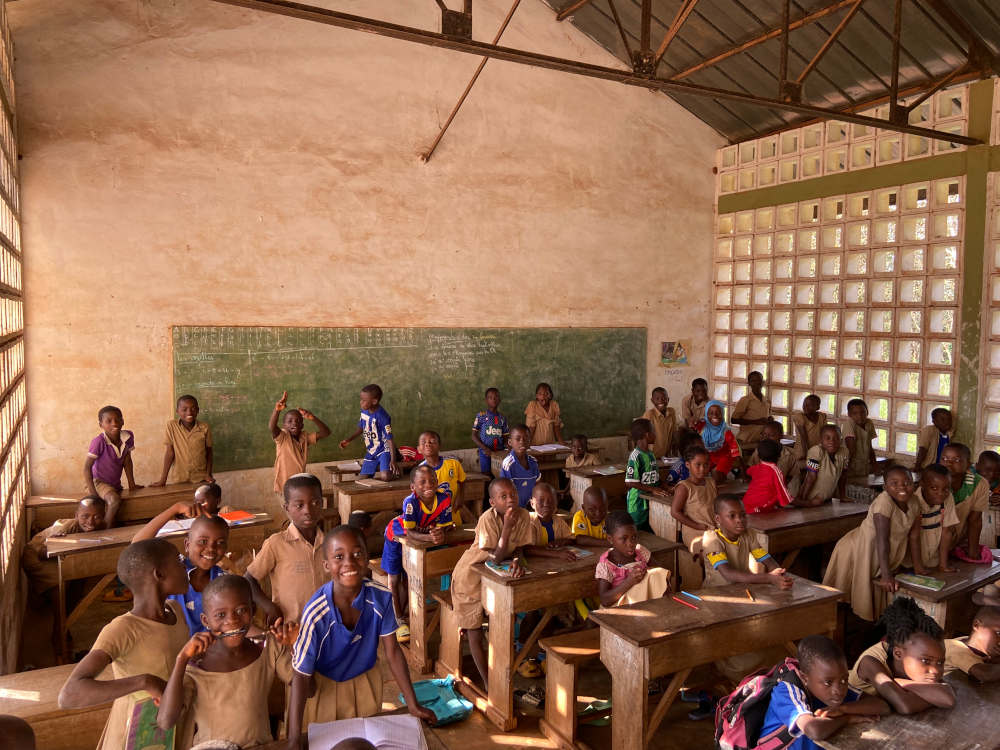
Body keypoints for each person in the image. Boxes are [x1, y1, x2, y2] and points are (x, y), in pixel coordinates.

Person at [285, 526, 436, 740]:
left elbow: (393, 652)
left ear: (367, 558)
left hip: (365, 681)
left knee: (367, 741)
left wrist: (413, 704)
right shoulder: (316, 613)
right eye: (339, 557)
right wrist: (293, 740)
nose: (349, 562)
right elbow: (301, 675)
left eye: (357, 554)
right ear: (326, 565)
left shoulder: (381, 597)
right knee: (328, 741)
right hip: (326, 686)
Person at [58, 539, 192, 750]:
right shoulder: (123, 629)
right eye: (179, 561)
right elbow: (70, 694)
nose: (185, 567)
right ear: (159, 574)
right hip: (136, 734)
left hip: (173, 723)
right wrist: (145, 682)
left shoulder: (174, 609)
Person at [156, 575, 301, 747]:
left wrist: (294, 646)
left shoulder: (268, 648)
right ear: (205, 620)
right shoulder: (196, 665)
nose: (232, 620)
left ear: (253, 610)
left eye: (241, 610)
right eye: (220, 615)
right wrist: (181, 659)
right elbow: (165, 721)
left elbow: (309, 689)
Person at [450, 478, 536, 686]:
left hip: (496, 579)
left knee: (503, 621)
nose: (510, 499)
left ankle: (502, 671)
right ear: (492, 502)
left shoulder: (524, 515)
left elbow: (519, 548)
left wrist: (516, 561)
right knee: (475, 631)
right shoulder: (487, 519)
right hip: (470, 578)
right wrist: (507, 527)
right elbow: (495, 558)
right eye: (503, 496)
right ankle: (488, 684)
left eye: (513, 494)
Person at [823, 466, 922, 621]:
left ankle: (867, 626)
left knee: (869, 594)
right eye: (894, 483)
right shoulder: (884, 502)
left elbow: (914, 536)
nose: (902, 487)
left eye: (907, 482)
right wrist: (887, 575)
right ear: (885, 487)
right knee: (844, 599)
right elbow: (882, 540)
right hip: (857, 550)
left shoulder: (915, 502)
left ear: (914, 484)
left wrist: (919, 568)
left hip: (879, 553)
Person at [759, 636, 888, 750]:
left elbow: (882, 706)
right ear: (805, 678)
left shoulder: (834, 681)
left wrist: (842, 709)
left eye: (844, 679)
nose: (838, 690)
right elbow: (814, 730)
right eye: (828, 683)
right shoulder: (787, 692)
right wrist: (847, 718)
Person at [382, 465, 456, 643]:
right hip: (395, 536)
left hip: (417, 539)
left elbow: (445, 525)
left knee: (409, 578)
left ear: (437, 482)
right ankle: (398, 620)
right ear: (413, 487)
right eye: (422, 482)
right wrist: (430, 537)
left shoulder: (444, 498)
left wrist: (440, 532)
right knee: (394, 579)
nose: (428, 485)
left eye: (432, 480)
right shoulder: (411, 502)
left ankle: (403, 615)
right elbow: (409, 532)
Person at [132, 502, 230, 635]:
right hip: (172, 644)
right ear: (187, 545)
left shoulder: (223, 580)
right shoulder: (173, 569)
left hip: (209, 646)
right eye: (203, 541)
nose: (211, 548)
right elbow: (137, 546)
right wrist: (175, 508)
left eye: (220, 543)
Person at [848, 597, 955, 713]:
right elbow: (905, 706)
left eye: (940, 662)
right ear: (898, 654)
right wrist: (935, 696)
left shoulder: (919, 662)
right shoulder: (870, 662)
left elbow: (947, 699)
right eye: (925, 661)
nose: (935, 670)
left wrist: (899, 682)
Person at [246, 474, 326, 625]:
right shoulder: (276, 544)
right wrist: (269, 607)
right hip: (291, 628)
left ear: (322, 503)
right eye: (299, 505)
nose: (308, 511)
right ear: (286, 508)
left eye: (315, 503)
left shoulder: (330, 543)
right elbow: (249, 579)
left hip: (326, 626)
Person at [701, 495, 792, 590]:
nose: (739, 520)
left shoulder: (748, 534)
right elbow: (728, 574)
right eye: (732, 516)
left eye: (743, 515)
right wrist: (769, 578)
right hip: (716, 591)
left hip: (741, 588)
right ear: (718, 519)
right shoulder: (712, 539)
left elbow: (767, 560)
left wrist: (779, 573)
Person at [22, 496, 106, 596]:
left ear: (103, 517)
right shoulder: (64, 529)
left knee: (82, 569)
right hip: (36, 555)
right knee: (59, 583)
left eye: (96, 517)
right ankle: (59, 605)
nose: (90, 522)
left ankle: (75, 599)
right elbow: (42, 552)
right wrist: (60, 547)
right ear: (76, 515)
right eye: (85, 516)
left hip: (57, 555)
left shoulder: (101, 526)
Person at [595, 510, 671, 606]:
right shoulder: (607, 564)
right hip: (622, 607)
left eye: (634, 537)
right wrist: (629, 582)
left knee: (656, 574)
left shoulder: (640, 552)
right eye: (624, 539)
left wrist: (647, 572)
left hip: (644, 602)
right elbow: (605, 600)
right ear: (610, 539)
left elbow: (659, 571)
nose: (631, 543)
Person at [84, 405, 141, 527]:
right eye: (108, 421)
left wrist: (132, 484)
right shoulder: (99, 442)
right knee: (114, 500)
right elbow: (86, 468)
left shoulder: (128, 437)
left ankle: (110, 524)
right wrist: (93, 494)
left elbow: (127, 460)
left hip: (114, 484)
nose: (114, 423)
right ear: (101, 425)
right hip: (98, 482)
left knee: (121, 505)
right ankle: (106, 530)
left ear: (123, 421)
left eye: (117, 419)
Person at [269, 391, 331, 495]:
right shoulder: (282, 437)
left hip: (299, 485)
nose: (294, 423)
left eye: (298, 421)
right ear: (284, 426)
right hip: (285, 487)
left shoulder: (304, 437)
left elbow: (326, 432)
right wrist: (277, 410)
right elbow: (272, 427)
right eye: (290, 421)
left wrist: (313, 418)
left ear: (302, 425)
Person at [940, 443, 990, 562]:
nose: (948, 463)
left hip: (955, 542)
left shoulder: (980, 484)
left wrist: (973, 553)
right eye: (944, 459)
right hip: (929, 542)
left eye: (956, 460)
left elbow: (975, 521)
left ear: (968, 464)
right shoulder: (932, 482)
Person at [339, 384, 399, 481]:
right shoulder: (364, 411)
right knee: (361, 480)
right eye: (361, 399)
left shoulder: (383, 416)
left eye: (364, 400)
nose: (361, 402)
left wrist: (393, 460)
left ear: (374, 401)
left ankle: (397, 474)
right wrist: (349, 440)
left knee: (385, 477)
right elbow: (361, 428)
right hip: (371, 451)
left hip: (383, 450)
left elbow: (390, 439)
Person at [152, 394, 213, 486]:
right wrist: (163, 479)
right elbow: (170, 453)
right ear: (177, 411)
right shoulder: (172, 426)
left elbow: (209, 453)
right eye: (184, 409)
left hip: (201, 478)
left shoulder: (204, 427)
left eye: (193, 409)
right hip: (180, 478)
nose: (189, 412)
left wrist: (208, 474)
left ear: (198, 410)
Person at [908, 465, 958, 573]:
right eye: (934, 488)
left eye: (946, 489)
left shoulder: (948, 498)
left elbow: (947, 532)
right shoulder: (913, 500)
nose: (940, 493)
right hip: (909, 561)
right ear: (922, 484)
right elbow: (914, 536)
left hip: (933, 559)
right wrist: (918, 567)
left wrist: (943, 565)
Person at [625, 418, 668, 531]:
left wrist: (665, 486)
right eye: (654, 432)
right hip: (637, 504)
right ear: (647, 435)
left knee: (651, 529)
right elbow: (630, 482)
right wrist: (652, 489)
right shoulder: (635, 456)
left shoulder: (650, 454)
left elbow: (654, 476)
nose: (656, 434)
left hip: (650, 501)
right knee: (637, 531)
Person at [418, 430, 468, 522]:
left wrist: (460, 497)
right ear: (419, 449)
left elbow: (462, 480)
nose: (428, 444)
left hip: (452, 510)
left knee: (456, 528)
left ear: (439, 446)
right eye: (423, 442)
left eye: (432, 441)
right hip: (433, 516)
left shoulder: (453, 463)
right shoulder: (420, 471)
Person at [795, 425, 848, 506]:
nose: (832, 441)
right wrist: (803, 499)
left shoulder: (844, 452)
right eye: (827, 438)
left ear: (841, 440)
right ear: (821, 440)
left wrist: (842, 496)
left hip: (827, 497)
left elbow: (843, 476)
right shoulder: (816, 451)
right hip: (812, 496)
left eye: (836, 438)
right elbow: (811, 477)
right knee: (815, 503)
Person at [944, 605, 1000, 682]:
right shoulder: (955, 648)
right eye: (998, 633)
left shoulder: (971, 643)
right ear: (976, 625)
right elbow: (985, 674)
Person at [742, 439, 794, 514]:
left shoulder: (756, 468)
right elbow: (785, 494)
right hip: (760, 508)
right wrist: (806, 503)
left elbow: (748, 471)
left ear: (758, 456)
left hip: (746, 504)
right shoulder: (776, 471)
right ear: (779, 455)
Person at [747, 421, 798, 491]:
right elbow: (751, 469)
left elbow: (793, 477)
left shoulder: (790, 454)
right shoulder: (759, 450)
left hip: (782, 489)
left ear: (781, 436)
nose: (766, 438)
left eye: (771, 435)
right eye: (764, 434)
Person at [500, 424, 540, 509]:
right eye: (518, 439)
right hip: (513, 508)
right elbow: (505, 492)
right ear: (510, 442)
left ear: (530, 441)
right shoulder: (508, 464)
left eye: (526, 439)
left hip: (530, 507)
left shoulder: (533, 462)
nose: (522, 442)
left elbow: (537, 486)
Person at [700, 400, 742, 483]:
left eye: (718, 413)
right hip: (710, 456)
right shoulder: (703, 430)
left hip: (725, 456)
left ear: (722, 414)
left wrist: (743, 470)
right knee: (699, 470)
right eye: (711, 413)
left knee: (716, 474)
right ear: (706, 415)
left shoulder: (726, 431)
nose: (715, 415)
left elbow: (736, 452)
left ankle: (722, 481)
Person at [731, 371, 772, 453]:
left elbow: (766, 417)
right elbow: (733, 420)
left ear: (763, 382)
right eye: (753, 381)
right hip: (746, 440)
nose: (757, 383)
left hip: (760, 441)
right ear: (749, 383)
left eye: (759, 380)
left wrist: (770, 419)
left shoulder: (767, 401)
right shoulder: (745, 400)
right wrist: (755, 422)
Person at [471, 387, 509, 474]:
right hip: (485, 452)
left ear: (499, 400)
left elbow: (506, 437)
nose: (493, 399)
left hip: (499, 453)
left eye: (496, 397)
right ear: (486, 400)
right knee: (487, 475)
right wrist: (485, 448)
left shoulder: (502, 418)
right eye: (490, 397)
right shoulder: (481, 415)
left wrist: (508, 449)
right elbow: (473, 436)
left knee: (500, 475)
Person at [842, 399, 878, 488]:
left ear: (867, 412)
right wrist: (845, 469)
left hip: (864, 465)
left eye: (863, 412)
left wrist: (875, 466)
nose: (860, 416)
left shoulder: (869, 423)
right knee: (852, 489)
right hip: (851, 466)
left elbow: (870, 446)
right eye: (855, 413)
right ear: (849, 414)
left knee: (863, 490)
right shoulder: (849, 424)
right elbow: (851, 449)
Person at [791, 395, 826, 472]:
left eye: (810, 405)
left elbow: (824, 433)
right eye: (804, 404)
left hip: (817, 451)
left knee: (815, 472)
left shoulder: (822, 417)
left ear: (818, 407)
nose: (805, 406)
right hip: (803, 451)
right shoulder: (799, 417)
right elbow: (804, 437)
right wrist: (807, 455)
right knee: (805, 471)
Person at [914, 408, 954, 472]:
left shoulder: (950, 433)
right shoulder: (929, 430)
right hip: (929, 468)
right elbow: (923, 449)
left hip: (943, 469)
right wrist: (917, 466)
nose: (947, 422)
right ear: (934, 421)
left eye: (949, 419)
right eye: (942, 419)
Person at [642, 387, 678, 458]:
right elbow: (643, 438)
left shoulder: (671, 412)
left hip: (665, 456)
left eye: (664, 398)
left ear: (668, 399)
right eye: (657, 399)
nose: (660, 401)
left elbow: (674, 432)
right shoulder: (649, 415)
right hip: (652, 456)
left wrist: (673, 453)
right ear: (652, 400)